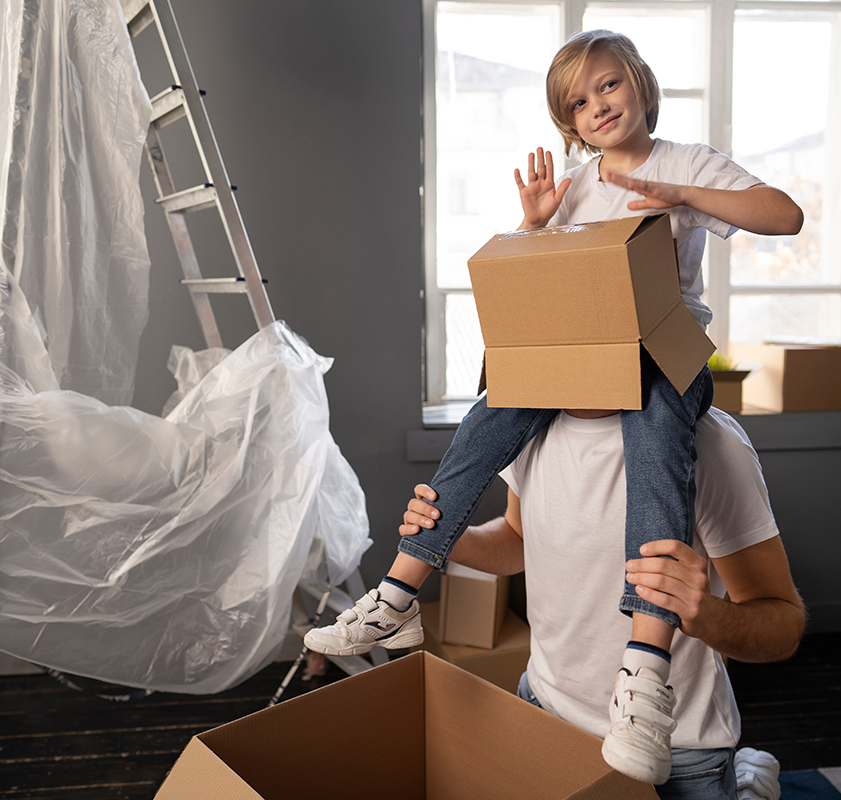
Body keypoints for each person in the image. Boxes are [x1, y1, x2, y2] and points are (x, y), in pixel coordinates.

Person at [304, 28, 803, 783]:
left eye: (608, 83)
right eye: (579, 100)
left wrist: (680, 198)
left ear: (637, 81)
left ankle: (644, 676)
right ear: (566, 123)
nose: (598, 104)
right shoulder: (573, 185)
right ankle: (402, 590)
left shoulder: (685, 162)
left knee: (659, 434)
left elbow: (784, 216)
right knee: (494, 403)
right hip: (580, 362)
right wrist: (536, 227)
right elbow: (539, 297)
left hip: (662, 358)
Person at [400, 407, 805, 800]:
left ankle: (747, 783)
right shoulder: (525, 422)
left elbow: (782, 624)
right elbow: (518, 540)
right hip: (544, 708)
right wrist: (450, 537)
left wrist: (708, 615)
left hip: (674, 743)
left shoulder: (713, 442)